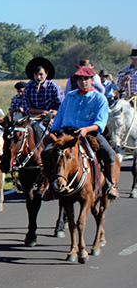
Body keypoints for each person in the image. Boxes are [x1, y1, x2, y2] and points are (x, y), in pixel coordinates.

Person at [43, 66, 119, 200]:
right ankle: (51, 185)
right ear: (76, 81)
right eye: (80, 79)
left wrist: (86, 129)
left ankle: (111, 185)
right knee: (46, 153)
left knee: (109, 154)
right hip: (67, 133)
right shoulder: (69, 97)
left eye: (86, 79)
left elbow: (100, 123)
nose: (83, 82)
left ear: (92, 80)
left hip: (90, 133)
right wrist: (53, 131)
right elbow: (60, 116)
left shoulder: (100, 99)